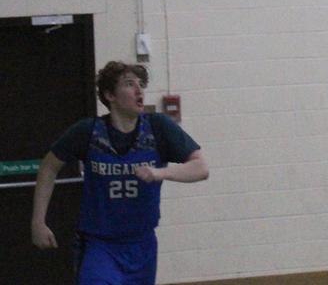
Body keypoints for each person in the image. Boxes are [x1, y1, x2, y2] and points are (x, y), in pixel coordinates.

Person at [31, 61, 209, 285]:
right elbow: (48, 166)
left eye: (140, 84)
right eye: (129, 84)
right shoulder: (88, 131)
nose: (138, 89)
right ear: (110, 95)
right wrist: (38, 221)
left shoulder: (158, 127)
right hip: (99, 245)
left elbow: (201, 168)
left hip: (142, 244)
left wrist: (160, 173)